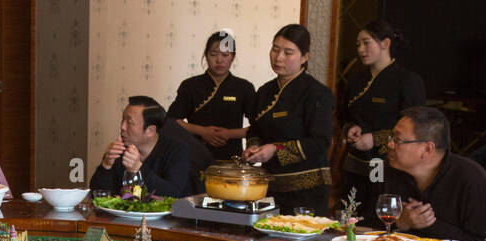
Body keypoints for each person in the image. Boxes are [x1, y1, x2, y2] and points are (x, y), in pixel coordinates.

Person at [366, 107, 486, 241]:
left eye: (398, 140)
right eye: (391, 137)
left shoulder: (472, 179)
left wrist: (430, 224)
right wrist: (401, 221)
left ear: (427, 149)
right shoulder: (382, 169)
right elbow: (364, 224)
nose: (389, 144)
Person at [241, 24, 335, 215]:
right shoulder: (265, 91)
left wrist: (275, 150)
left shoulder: (317, 93)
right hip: (270, 188)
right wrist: (254, 146)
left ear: (304, 57)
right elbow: (255, 129)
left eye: (288, 52)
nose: (279, 57)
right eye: (275, 49)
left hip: (307, 192)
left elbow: (320, 141)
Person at [338, 20, 425, 204]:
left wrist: (375, 139)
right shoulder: (355, 81)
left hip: (388, 161)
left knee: (378, 212)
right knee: (351, 212)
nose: (361, 49)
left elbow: (416, 127)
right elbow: (344, 116)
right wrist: (351, 128)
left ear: (385, 43)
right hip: (355, 162)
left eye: (366, 43)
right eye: (358, 45)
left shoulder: (408, 81)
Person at [167, 31, 256, 161]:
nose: (219, 60)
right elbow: (172, 121)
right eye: (213, 54)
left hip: (232, 158)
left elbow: (258, 125)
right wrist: (202, 131)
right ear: (206, 55)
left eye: (225, 55)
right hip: (195, 156)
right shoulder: (190, 85)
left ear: (232, 57)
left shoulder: (244, 87)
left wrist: (229, 134)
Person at [90, 96, 194, 198]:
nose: (122, 127)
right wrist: (106, 165)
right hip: (123, 215)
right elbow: (96, 196)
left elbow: (173, 194)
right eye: (122, 120)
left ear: (150, 130)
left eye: (129, 122)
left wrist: (139, 168)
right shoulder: (119, 151)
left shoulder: (178, 151)